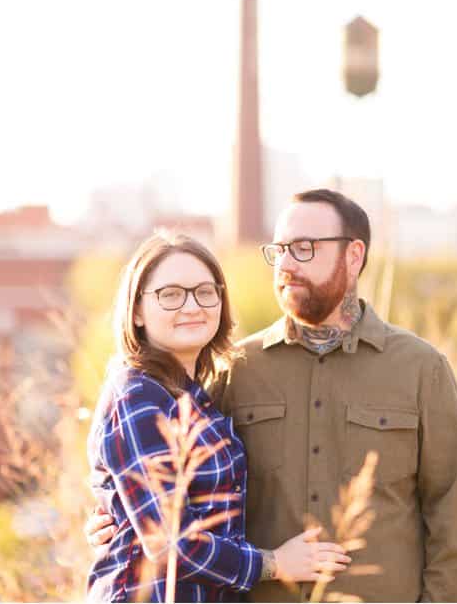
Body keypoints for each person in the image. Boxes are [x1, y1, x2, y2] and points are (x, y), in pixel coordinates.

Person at [88, 190, 457, 602]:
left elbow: (455, 519)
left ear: (353, 255)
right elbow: (163, 494)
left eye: (304, 248)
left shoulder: (422, 369)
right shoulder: (235, 369)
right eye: (279, 250)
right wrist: (112, 518)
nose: (287, 264)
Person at [86, 232, 351, 602]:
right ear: (136, 310)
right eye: (171, 294)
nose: (192, 305)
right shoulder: (138, 397)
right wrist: (273, 563)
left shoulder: (191, 394)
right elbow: (169, 543)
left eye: (205, 291)